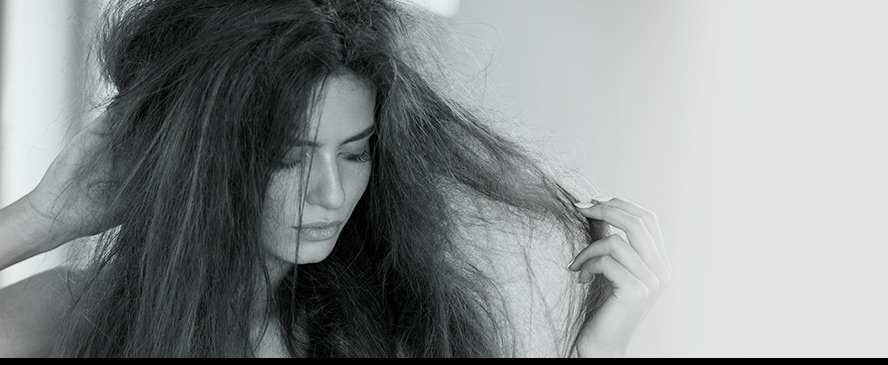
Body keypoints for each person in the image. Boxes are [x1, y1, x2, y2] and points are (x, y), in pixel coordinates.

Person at [0, 0, 670, 357]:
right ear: (206, 159)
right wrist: (39, 216)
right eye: (288, 157)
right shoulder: (73, 313)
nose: (330, 194)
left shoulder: (381, 329)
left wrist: (600, 346)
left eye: (355, 153)